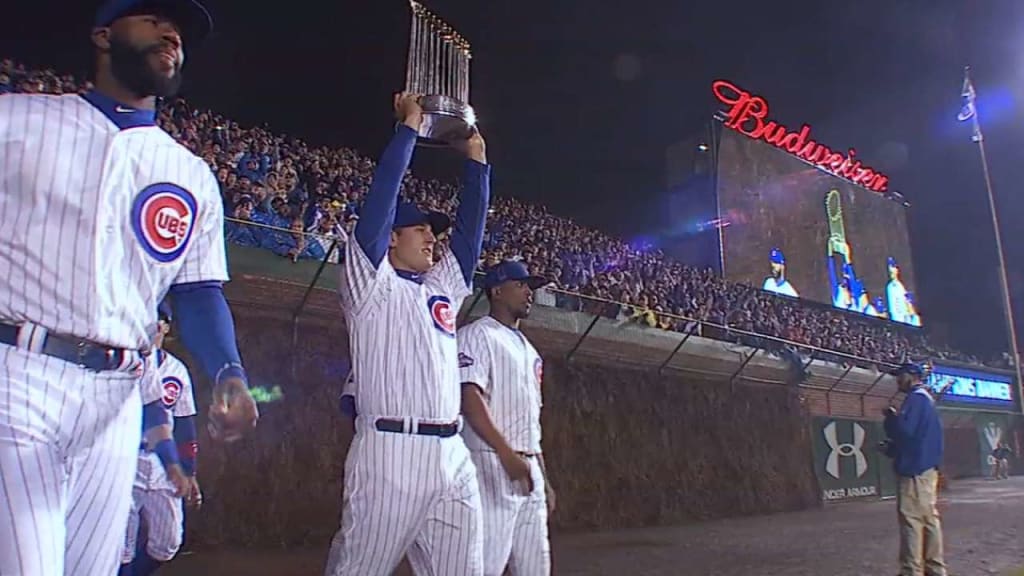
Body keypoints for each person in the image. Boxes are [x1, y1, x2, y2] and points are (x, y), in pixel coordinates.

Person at [0, 1, 258, 574]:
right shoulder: (16, 121)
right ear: (102, 34)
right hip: (19, 373)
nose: (172, 33)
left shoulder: (189, 172)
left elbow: (196, 291)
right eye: (152, 19)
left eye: (181, 32)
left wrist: (229, 372)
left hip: (119, 399)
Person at [330, 92, 490, 576]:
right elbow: (380, 202)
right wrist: (409, 132)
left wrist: (477, 164)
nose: (431, 237)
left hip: (453, 454)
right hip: (389, 453)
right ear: (392, 238)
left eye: (432, 231)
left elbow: (469, 235)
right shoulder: (367, 284)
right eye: (419, 229)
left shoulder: (440, 287)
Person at [458, 260, 555, 575]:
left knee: (535, 566)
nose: (529, 292)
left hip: (527, 464)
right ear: (497, 291)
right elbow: (469, 396)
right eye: (521, 285)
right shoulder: (477, 334)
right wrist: (505, 453)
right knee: (485, 562)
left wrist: (544, 478)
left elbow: (531, 421)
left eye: (531, 287)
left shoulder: (530, 349)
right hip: (491, 458)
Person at [120, 303, 202, 576]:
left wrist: (189, 472)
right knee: (121, 547)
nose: (155, 324)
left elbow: (185, 424)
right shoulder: (120, 358)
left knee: (168, 543)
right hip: (125, 457)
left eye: (161, 319)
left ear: (166, 327)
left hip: (163, 464)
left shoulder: (177, 370)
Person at [882, 363, 946, 576]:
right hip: (926, 467)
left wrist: (891, 419)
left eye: (901, 375)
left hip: (915, 469)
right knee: (928, 519)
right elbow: (915, 438)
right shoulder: (925, 399)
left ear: (913, 376)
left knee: (911, 519)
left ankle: (912, 571)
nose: (898, 380)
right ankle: (934, 569)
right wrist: (894, 448)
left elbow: (905, 432)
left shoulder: (916, 398)